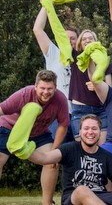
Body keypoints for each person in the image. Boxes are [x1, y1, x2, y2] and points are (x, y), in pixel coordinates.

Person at [31, 114, 112, 205]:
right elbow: (45, 158)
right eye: (86, 128)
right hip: (74, 198)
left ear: (99, 132)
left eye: (94, 129)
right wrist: (24, 151)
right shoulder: (70, 149)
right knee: (83, 190)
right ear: (80, 132)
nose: (90, 132)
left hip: (101, 197)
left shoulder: (106, 156)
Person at [0, 70, 70, 205]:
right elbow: (1, 109)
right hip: (10, 128)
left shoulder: (60, 99)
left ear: (55, 88)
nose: (46, 92)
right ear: (35, 86)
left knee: (52, 163)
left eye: (49, 89)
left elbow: (63, 125)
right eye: (42, 88)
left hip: (39, 133)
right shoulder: (24, 94)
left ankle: (47, 202)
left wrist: (53, 151)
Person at [32, 4, 77, 140]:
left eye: (73, 38)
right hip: (56, 114)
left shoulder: (85, 59)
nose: (69, 41)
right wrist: (46, 5)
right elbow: (37, 29)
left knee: (79, 157)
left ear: (78, 41)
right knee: (52, 154)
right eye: (66, 38)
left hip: (79, 114)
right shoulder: (54, 53)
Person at [70, 30, 111, 145]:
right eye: (84, 39)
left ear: (96, 41)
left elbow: (110, 88)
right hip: (80, 109)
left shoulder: (103, 60)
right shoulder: (75, 57)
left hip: (101, 109)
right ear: (80, 43)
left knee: (102, 148)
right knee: (83, 150)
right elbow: (61, 38)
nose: (87, 40)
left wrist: (99, 86)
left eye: (90, 38)